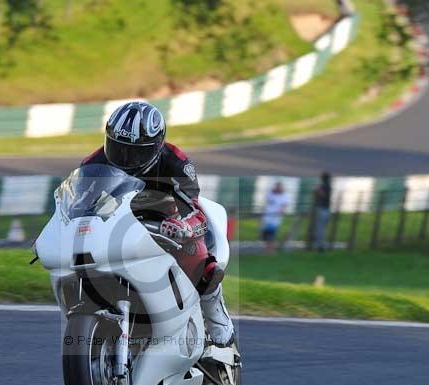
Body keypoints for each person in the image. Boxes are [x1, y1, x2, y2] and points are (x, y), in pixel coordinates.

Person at [81, 101, 235, 347]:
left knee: (197, 253)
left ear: (155, 147)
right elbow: (77, 205)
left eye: (135, 152)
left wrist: (183, 227)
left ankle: (217, 317)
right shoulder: (93, 163)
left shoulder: (176, 162)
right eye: (119, 148)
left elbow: (195, 211)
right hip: (116, 223)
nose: (125, 157)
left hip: (165, 223)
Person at [260, 182, 289, 253]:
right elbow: (265, 203)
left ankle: (272, 249)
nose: (278, 188)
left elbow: (284, 206)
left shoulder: (284, 196)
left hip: (275, 218)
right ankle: (266, 248)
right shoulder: (270, 194)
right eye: (277, 187)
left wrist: (280, 212)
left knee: (272, 234)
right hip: (267, 217)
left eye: (279, 187)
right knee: (265, 233)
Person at [312, 172, 332, 251]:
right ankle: (321, 244)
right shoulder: (328, 186)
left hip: (322, 209)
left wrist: (317, 189)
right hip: (326, 209)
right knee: (322, 228)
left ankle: (320, 246)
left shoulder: (324, 186)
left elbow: (323, 195)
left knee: (320, 228)